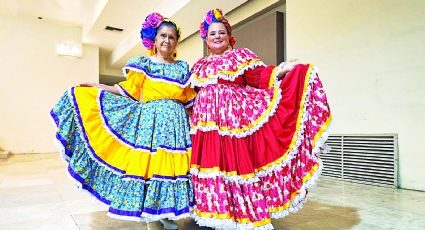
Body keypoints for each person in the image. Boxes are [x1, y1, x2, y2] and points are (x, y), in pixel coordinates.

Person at [188, 9, 332, 230]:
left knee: (234, 162)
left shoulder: (239, 56)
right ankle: (213, 211)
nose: (217, 36)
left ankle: (238, 213)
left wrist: (283, 70)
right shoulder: (199, 65)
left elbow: (259, 77)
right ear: (206, 39)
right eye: (212, 33)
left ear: (229, 37)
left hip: (232, 119)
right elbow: (190, 93)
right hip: (205, 122)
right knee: (210, 163)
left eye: (221, 32)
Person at [50, 12, 196, 230]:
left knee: (174, 170)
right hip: (152, 124)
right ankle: (153, 219)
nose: (167, 40)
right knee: (152, 168)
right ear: (154, 40)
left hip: (177, 126)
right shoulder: (143, 64)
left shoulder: (183, 68)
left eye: (172, 37)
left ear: (176, 41)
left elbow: (189, 100)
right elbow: (126, 90)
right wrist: (98, 87)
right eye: (163, 36)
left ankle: (166, 212)